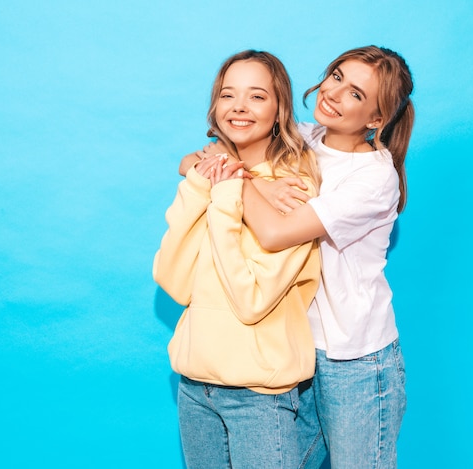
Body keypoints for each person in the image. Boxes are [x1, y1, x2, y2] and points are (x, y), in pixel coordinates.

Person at [181, 45, 415, 469]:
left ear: (377, 120)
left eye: (357, 94)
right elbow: (199, 158)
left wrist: (247, 184)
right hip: (294, 348)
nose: (335, 92)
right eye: (338, 75)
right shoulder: (304, 136)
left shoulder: (373, 177)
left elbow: (274, 234)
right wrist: (253, 178)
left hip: (354, 360)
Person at [153, 50, 322, 469]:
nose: (239, 108)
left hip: (259, 396)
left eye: (257, 96)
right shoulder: (212, 172)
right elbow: (173, 280)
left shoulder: (294, 190)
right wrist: (200, 182)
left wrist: (229, 193)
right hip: (195, 386)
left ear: (281, 108)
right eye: (228, 95)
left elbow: (251, 301)